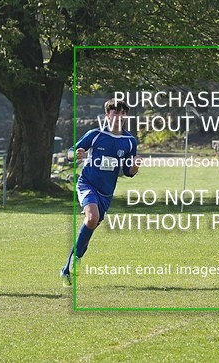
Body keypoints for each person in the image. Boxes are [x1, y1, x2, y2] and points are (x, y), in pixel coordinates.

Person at [60, 98, 141, 286]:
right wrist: (76, 154)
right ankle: (74, 261)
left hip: (106, 193)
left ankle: (68, 267)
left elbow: (128, 172)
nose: (119, 116)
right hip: (87, 184)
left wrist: (135, 167)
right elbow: (71, 152)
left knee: (91, 226)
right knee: (91, 218)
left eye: (123, 113)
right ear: (107, 114)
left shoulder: (129, 141)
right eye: (115, 112)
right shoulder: (95, 135)